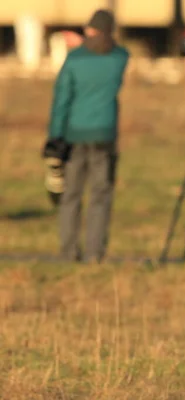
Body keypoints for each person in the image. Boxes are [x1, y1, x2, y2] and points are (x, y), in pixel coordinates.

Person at [46, 9, 129, 263]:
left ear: (90, 29)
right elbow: (120, 51)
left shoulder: (75, 60)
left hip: (74, 135)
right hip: (105, 134)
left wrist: (54, 136)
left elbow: (62, 101)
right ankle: (95, 253)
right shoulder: (120, 57)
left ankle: (69, 251)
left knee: (71, 195)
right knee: (100, 195)